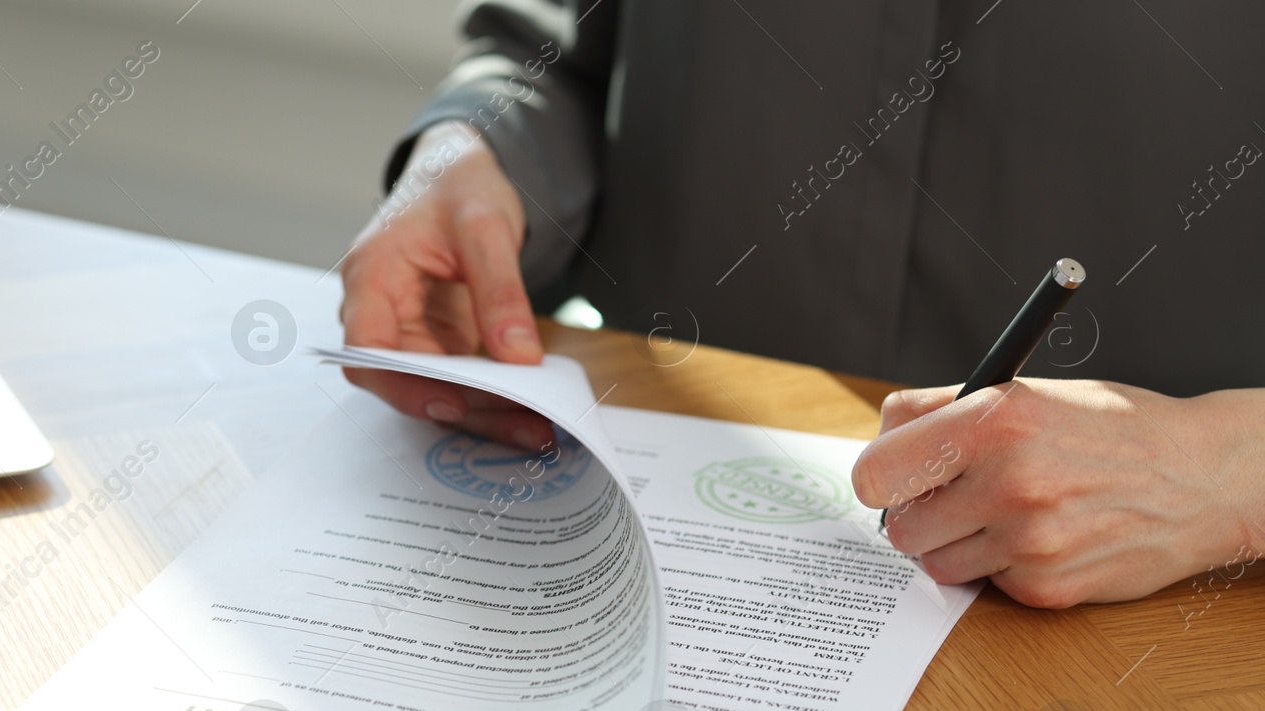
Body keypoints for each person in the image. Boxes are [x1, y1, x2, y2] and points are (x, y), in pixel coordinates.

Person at [338, 0, 1265, 608]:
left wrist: (1221, 479)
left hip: (1156, 638)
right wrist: (481, 147)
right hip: (629, 546)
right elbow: (564, 46)